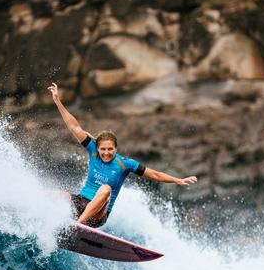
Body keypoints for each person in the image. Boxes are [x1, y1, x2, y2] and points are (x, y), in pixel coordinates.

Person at [48, 83, 198, 228]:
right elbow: (74, 127)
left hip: (97, 215)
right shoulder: (92, 150)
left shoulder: (125, 164)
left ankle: (78, 226)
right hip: (81, 201)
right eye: (103, 149)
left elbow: (156, 175)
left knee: (106, 188)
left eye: (110, 149)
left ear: (116, 149)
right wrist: (57, 101)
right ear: (98, 148)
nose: (106, 153)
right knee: (57, 195)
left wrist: (178, 180)